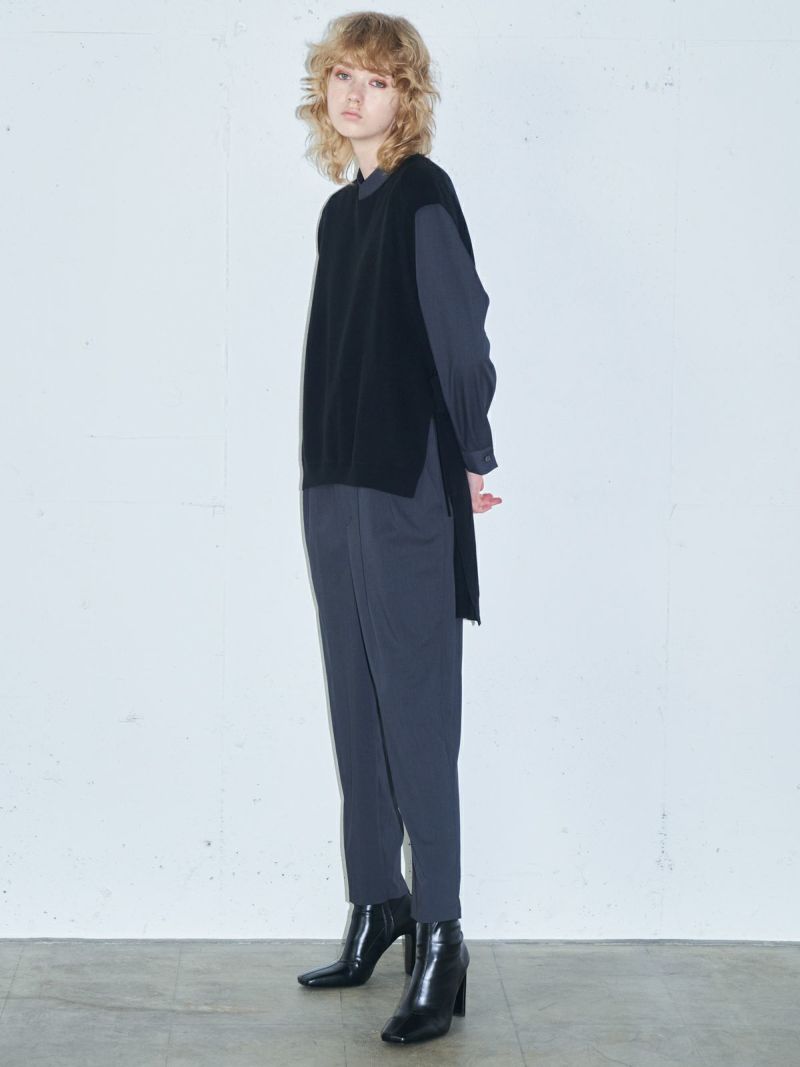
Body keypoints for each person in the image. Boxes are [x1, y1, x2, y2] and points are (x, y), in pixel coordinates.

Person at [294, 12, 501, 1045]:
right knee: (357, 703)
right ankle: (379, 899)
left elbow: (460, 336)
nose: (352, 94)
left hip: (404, 483)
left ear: (405, 97)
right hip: (333, 483)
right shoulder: (341, 214)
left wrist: (472, 451)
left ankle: (441, 933)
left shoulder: (423, 193)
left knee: (415, 711)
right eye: (341, 76)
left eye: (374, 81)